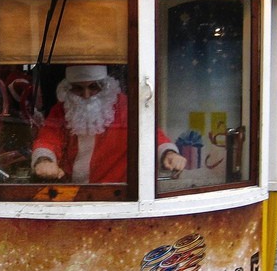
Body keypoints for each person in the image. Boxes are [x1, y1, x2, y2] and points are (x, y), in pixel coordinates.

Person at [31, 65, 186, 184]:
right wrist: (44, 161)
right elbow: (48, 138)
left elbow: (151, 134)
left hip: (115, 192)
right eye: (78, 88)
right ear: (69, 88)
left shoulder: (125, 106)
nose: (86, 95)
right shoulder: (63, 108)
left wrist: (169, 154)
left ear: (105, 86)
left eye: (93, 87)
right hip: (71, 189)